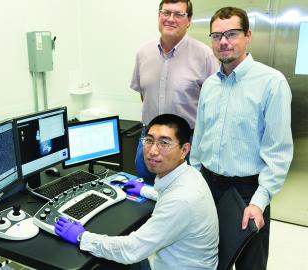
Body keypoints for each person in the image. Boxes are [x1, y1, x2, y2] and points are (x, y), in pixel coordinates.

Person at [189, 6, 294, 270]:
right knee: (210, 258)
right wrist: (193, 182)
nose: (223, 42)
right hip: (209, 187)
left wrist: (259, 202)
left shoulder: (272, 83)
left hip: (249, 191)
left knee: (250, 264)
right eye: (216, 36)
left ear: (248, 35)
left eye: (232, 34)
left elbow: (278, 153)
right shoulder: (210, 85)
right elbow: (200, 139)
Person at [55, 114, 219, 270]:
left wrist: (81, 237)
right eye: (149, 140)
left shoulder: (182, 200)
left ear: (184, 150)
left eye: (164, 143)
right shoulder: (190, 174)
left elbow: (131, 250)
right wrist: (145, 190)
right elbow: (170, 195)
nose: (153, 151)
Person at [130, 0, 218, 180]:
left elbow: (215, 104)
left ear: (189, 20)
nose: (171, 19)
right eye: (166, 13)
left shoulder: (204, 55)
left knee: (183, 195)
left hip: (186, 142)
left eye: (178, 14)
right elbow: (143, 94)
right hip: (148, 139)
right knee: (145, 193)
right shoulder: (143, 53)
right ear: (158, 16)